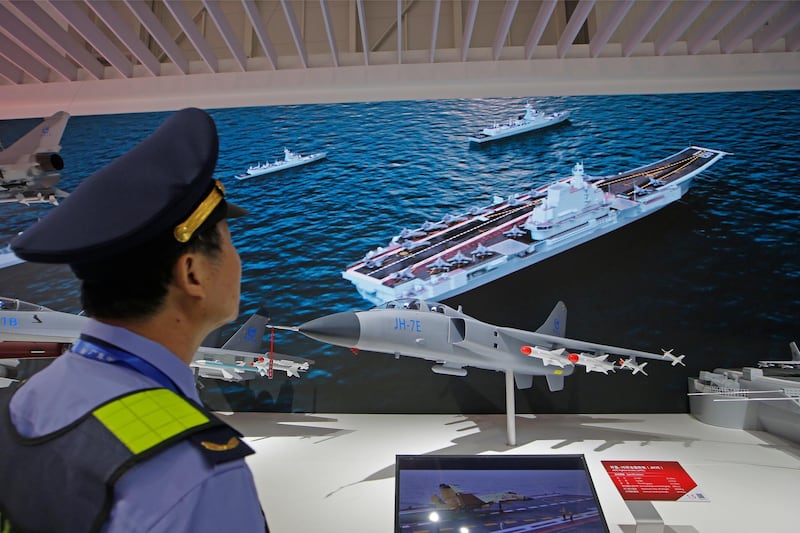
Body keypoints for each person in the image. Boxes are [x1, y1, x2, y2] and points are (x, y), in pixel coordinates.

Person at [0, 108, 268, 532]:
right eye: (229, 241)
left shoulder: (28, 400)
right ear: (193, 274)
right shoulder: (195, 473)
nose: (239, 261)